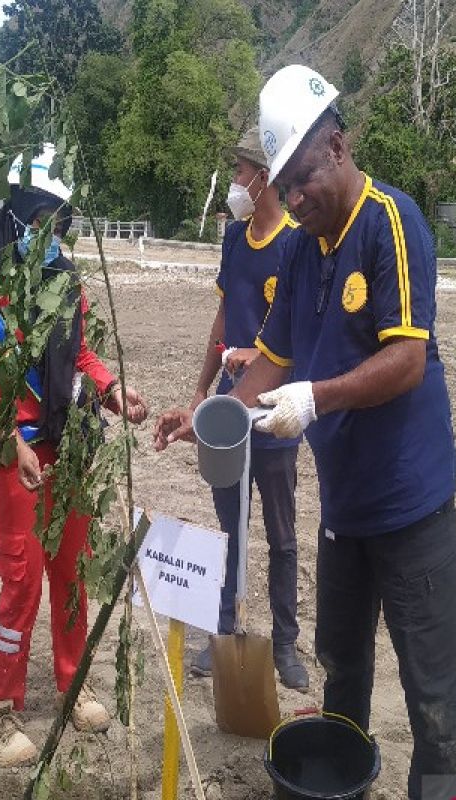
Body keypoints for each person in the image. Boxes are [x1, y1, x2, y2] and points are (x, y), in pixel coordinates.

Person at [154, 66, 456, 800]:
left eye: (302, 180)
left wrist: (318, 400)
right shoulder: (300, 246)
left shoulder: (391, 222)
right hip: (347, 507)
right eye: (283, 187)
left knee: (431, 692)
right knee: (342, 667)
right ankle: (340, 786)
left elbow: (408, 359)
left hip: (411, 503)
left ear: (337, 145)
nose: (294, 200)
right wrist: (212, 411)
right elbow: (273, 354)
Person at [0, 149, 148, 768]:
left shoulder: (68, 282)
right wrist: (12, 439)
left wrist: (112, 388)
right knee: (24, 576)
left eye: (62, 220)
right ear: (18, 213)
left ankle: (74, 681)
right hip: (16, 453)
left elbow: (84, 357)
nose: (55, 232)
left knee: (73, 565)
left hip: (68, 447)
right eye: (44, 217)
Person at [167, 127, 308, 689]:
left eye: (239, 171)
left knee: (280, 534)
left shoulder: (296, 243)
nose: (234, 183)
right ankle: (222, 633)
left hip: (272, 412)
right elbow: (222, 322)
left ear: (264, 177)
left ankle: (285, 646)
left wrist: (262, 355)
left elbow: (298, 334)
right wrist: (202, 390)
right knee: (230, 528)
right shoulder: (233, 240)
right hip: (229, 413)